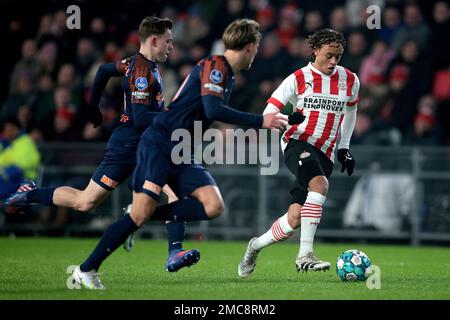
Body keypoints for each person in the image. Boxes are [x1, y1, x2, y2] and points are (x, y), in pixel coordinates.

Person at [71, 18, 287, 290]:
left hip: (181, 148)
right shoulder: (216, 67)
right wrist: (260, 121)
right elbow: (211, 110)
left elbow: (206, 111)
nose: (256, 53)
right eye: (256, 47)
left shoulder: (225, 72)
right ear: (250, 46)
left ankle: (141, 215)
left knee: (213, 205)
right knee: (138, 215)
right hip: (160, 143)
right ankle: (86, 269)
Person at [5, 16, 199, 272]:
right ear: (153, 40)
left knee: (173, 191)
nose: (171, 47)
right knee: (86, 202)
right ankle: (30, 193)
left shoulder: (134, 64)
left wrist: (93, 107)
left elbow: (104, 71)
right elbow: (141, 119)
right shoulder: (141, 72)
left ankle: (174, 251)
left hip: (145, 144)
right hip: (130, 144)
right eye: (168, 41)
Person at [238, 28, 360, 277]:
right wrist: (286, 118)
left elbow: (350, 111)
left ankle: (255, 246)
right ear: (315, 51)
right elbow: (269, 112)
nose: (333, 61)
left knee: (294, 219)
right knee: (320, 184)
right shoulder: (298, 78)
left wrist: (344, 147)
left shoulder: (350, 80)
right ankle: (305, 255)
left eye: (338, 56)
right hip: (298, 143)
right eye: (329, 55)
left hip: (325, 151)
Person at [0, 117, 40, 199]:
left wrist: (6, 170)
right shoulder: (4, 144)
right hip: (8, 181)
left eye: (11, 129)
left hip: (24, 182)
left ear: (17, 129)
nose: (8, 133)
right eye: (6, 130)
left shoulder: (25, 141)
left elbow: (24, 164)